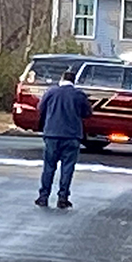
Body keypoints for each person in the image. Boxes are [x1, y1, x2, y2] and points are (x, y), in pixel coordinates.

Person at [35, 69, 92, 209]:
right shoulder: (79, 95)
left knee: (49, 166)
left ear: (61, 79)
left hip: (52, 134)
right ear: (74, 81)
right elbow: (87, 113)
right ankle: (63, 197)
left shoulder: (51, 92)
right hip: (72, 135)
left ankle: (43, 197)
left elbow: (40, 108)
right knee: (67, 167)